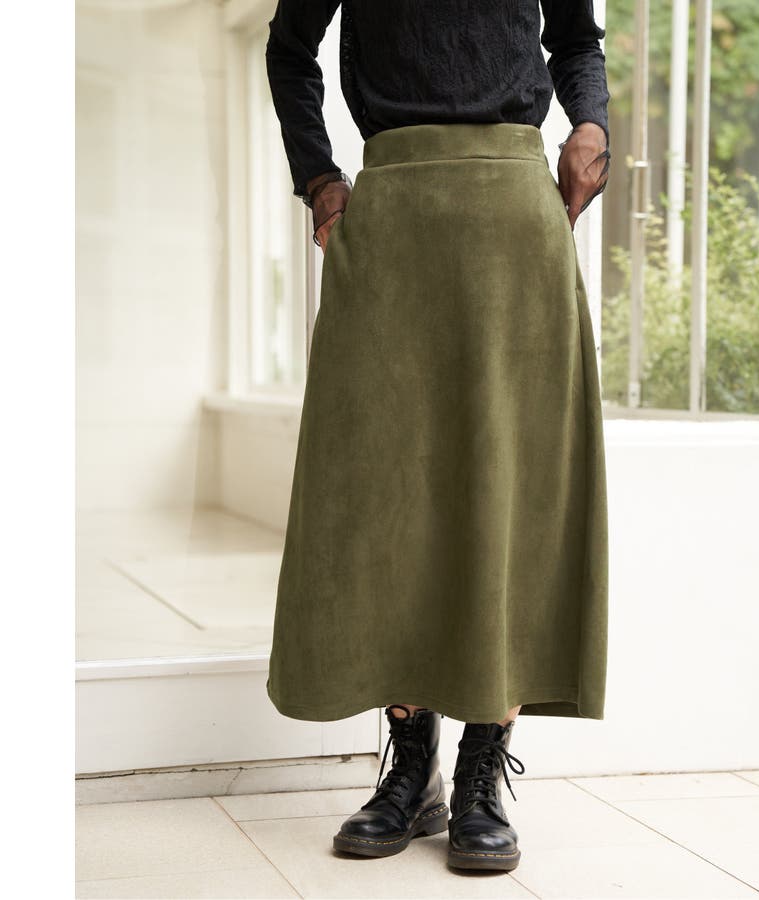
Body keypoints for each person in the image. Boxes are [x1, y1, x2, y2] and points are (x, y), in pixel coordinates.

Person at [265, 0, 611, 873]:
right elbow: (289, 48)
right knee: (387, 496)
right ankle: (411, 768)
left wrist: (591, 124)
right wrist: (319, 179)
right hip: (392, 222)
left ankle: (482, 769)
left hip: (515, 220)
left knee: (508, 489)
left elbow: (576, 41)